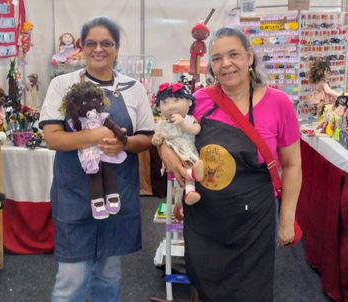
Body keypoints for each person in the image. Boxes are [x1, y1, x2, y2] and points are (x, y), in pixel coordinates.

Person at [158, 27, 302, 301]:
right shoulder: (197, 101)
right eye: (217, 58)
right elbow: (168, 133)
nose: (225, 64)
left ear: (249, 57)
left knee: (251, 289)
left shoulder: (278, 103)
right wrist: (166, 152)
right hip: (206, 216)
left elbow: (293, 165)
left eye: (233, 54)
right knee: (206, 282)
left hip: (255, 218)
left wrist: (286, 219)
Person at [39, 16, 154, 302]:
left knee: (108, 275)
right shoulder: (62, 84)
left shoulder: (133, 88)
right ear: (81, 47)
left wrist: (122, 143)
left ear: (116, 48)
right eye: (91, 43)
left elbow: (146, 138)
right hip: (75, 193)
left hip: (116, 195)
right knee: (72, 279)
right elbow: (52, 137)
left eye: (106, 43)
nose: (98, 49)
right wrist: (95, 136)